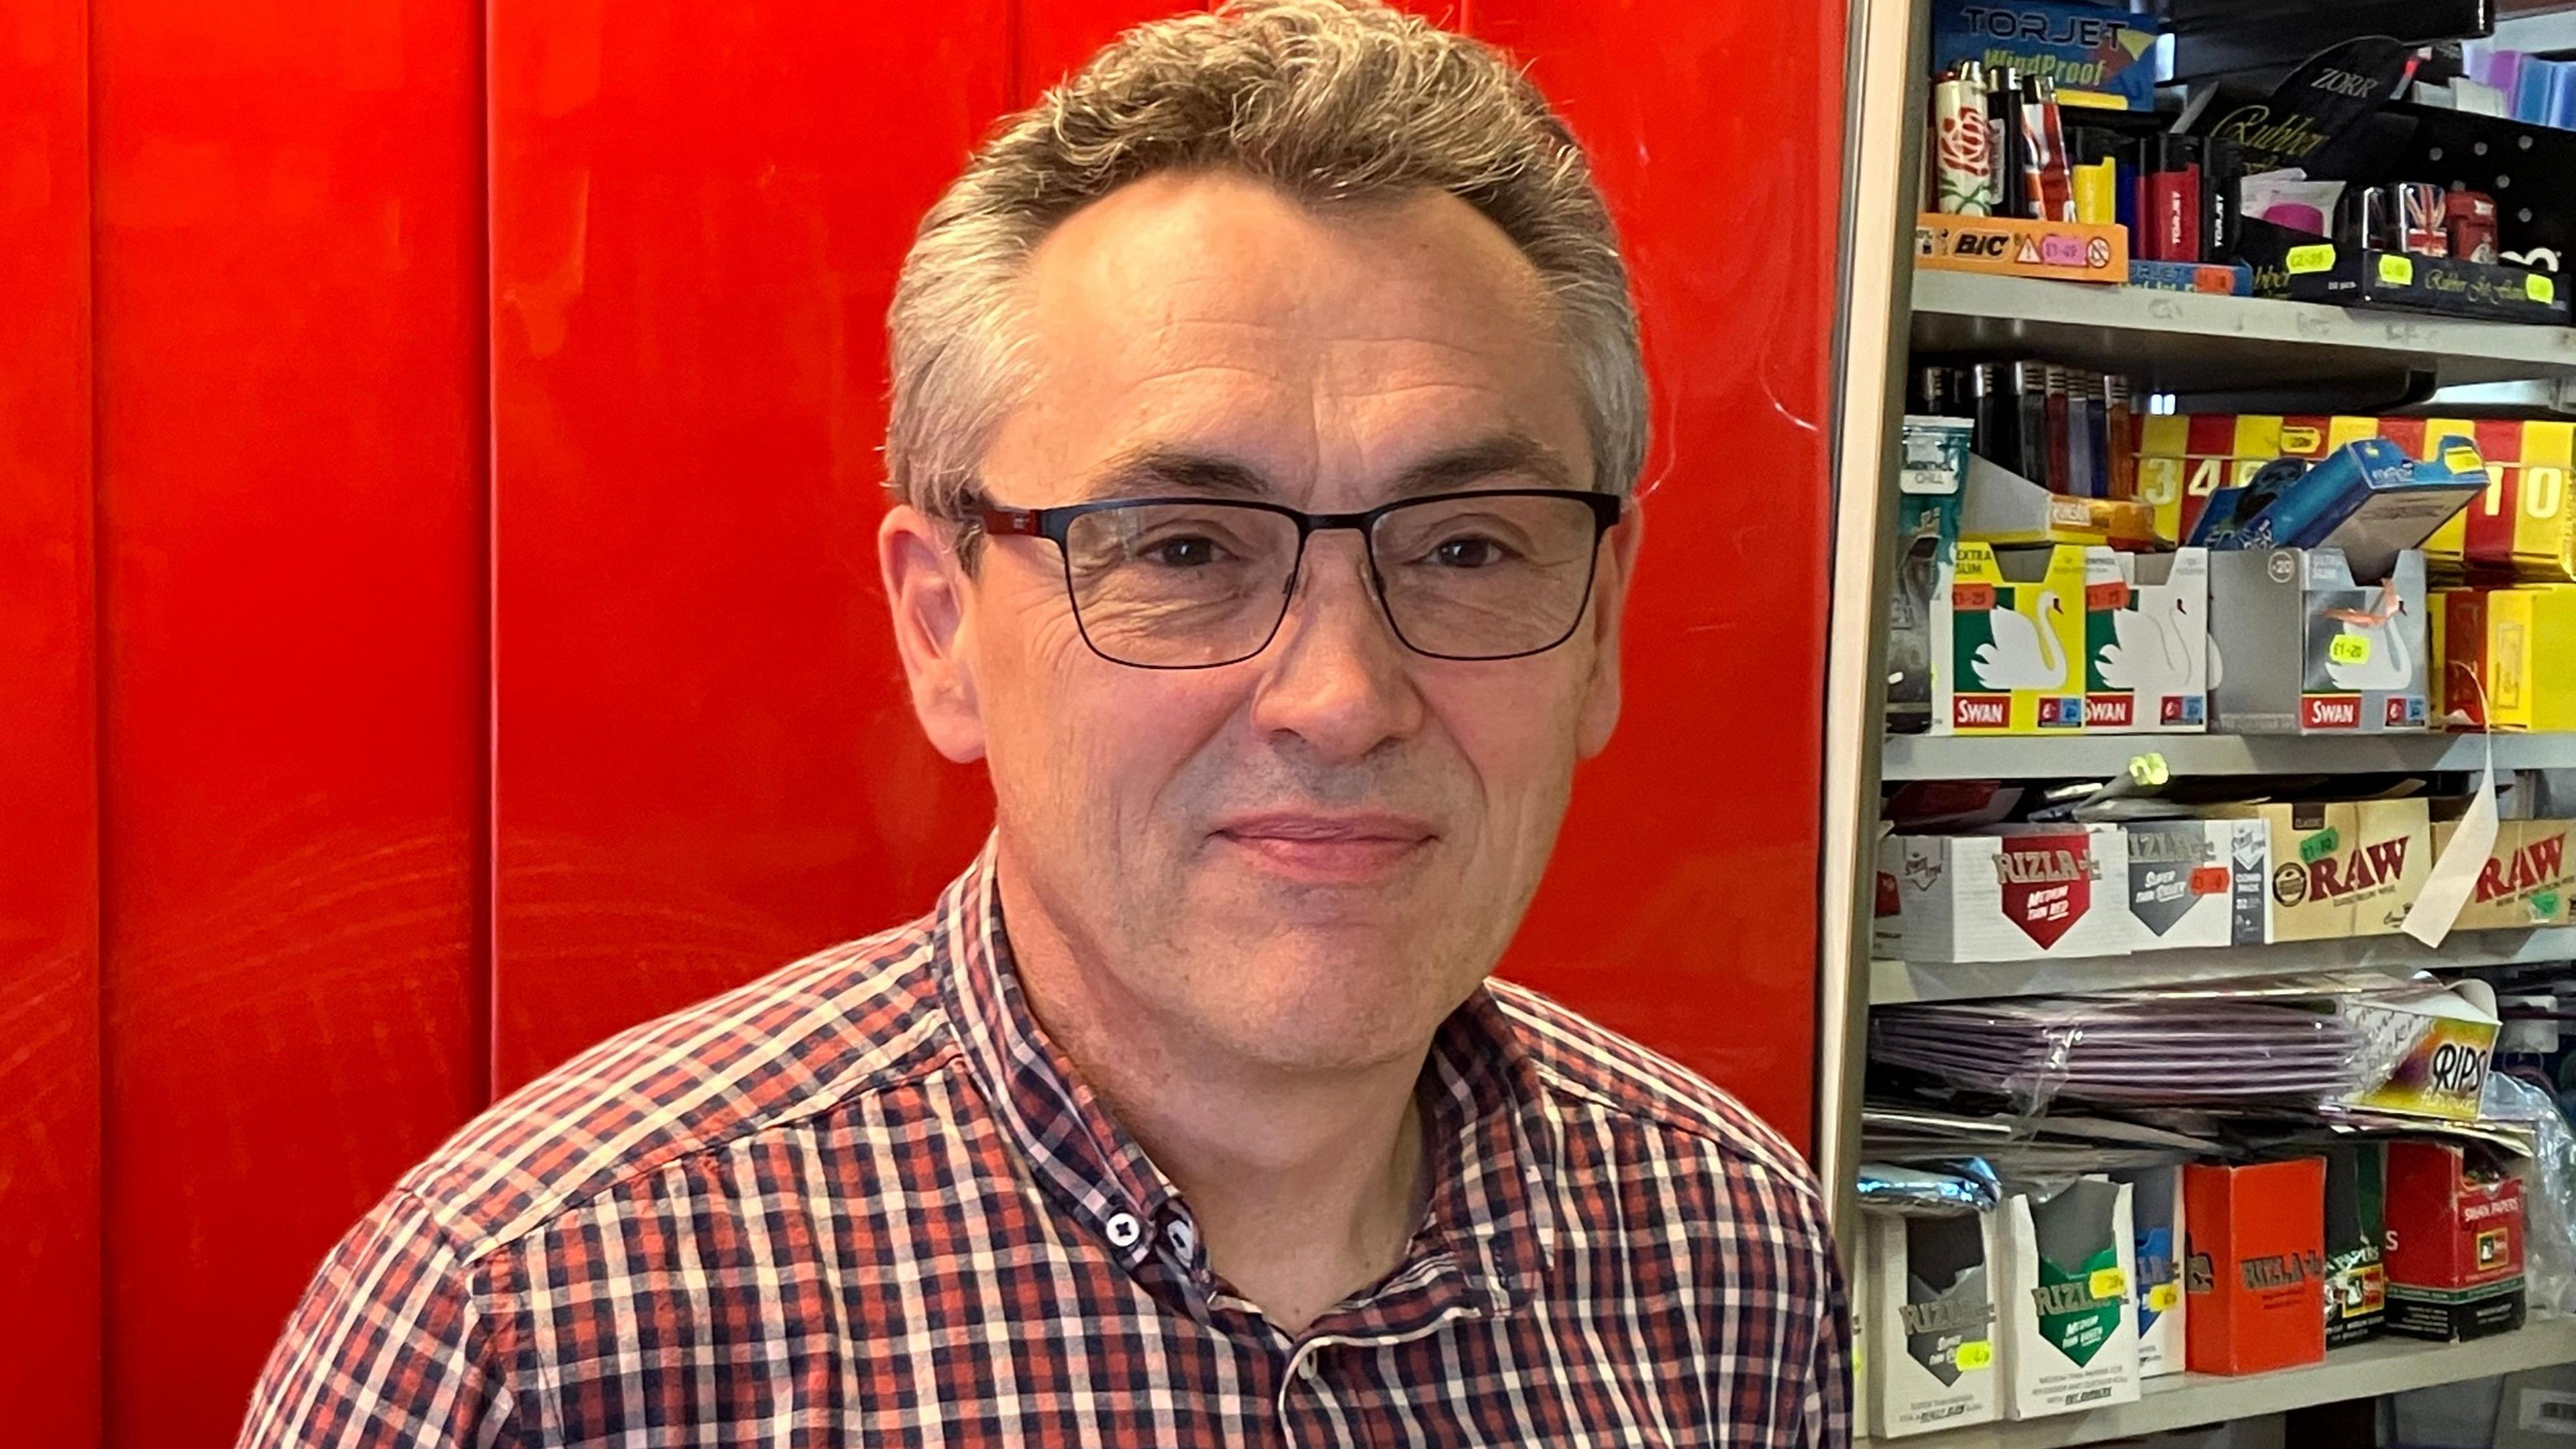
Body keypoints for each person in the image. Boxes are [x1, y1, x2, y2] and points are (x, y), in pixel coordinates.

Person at [237, 2, 1849, 1444]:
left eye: (1469, 547)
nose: (1344, 699)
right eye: (1182, 552)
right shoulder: (530, 1337)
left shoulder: (1733, 1263)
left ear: (1605, 629)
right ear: (942, 630)